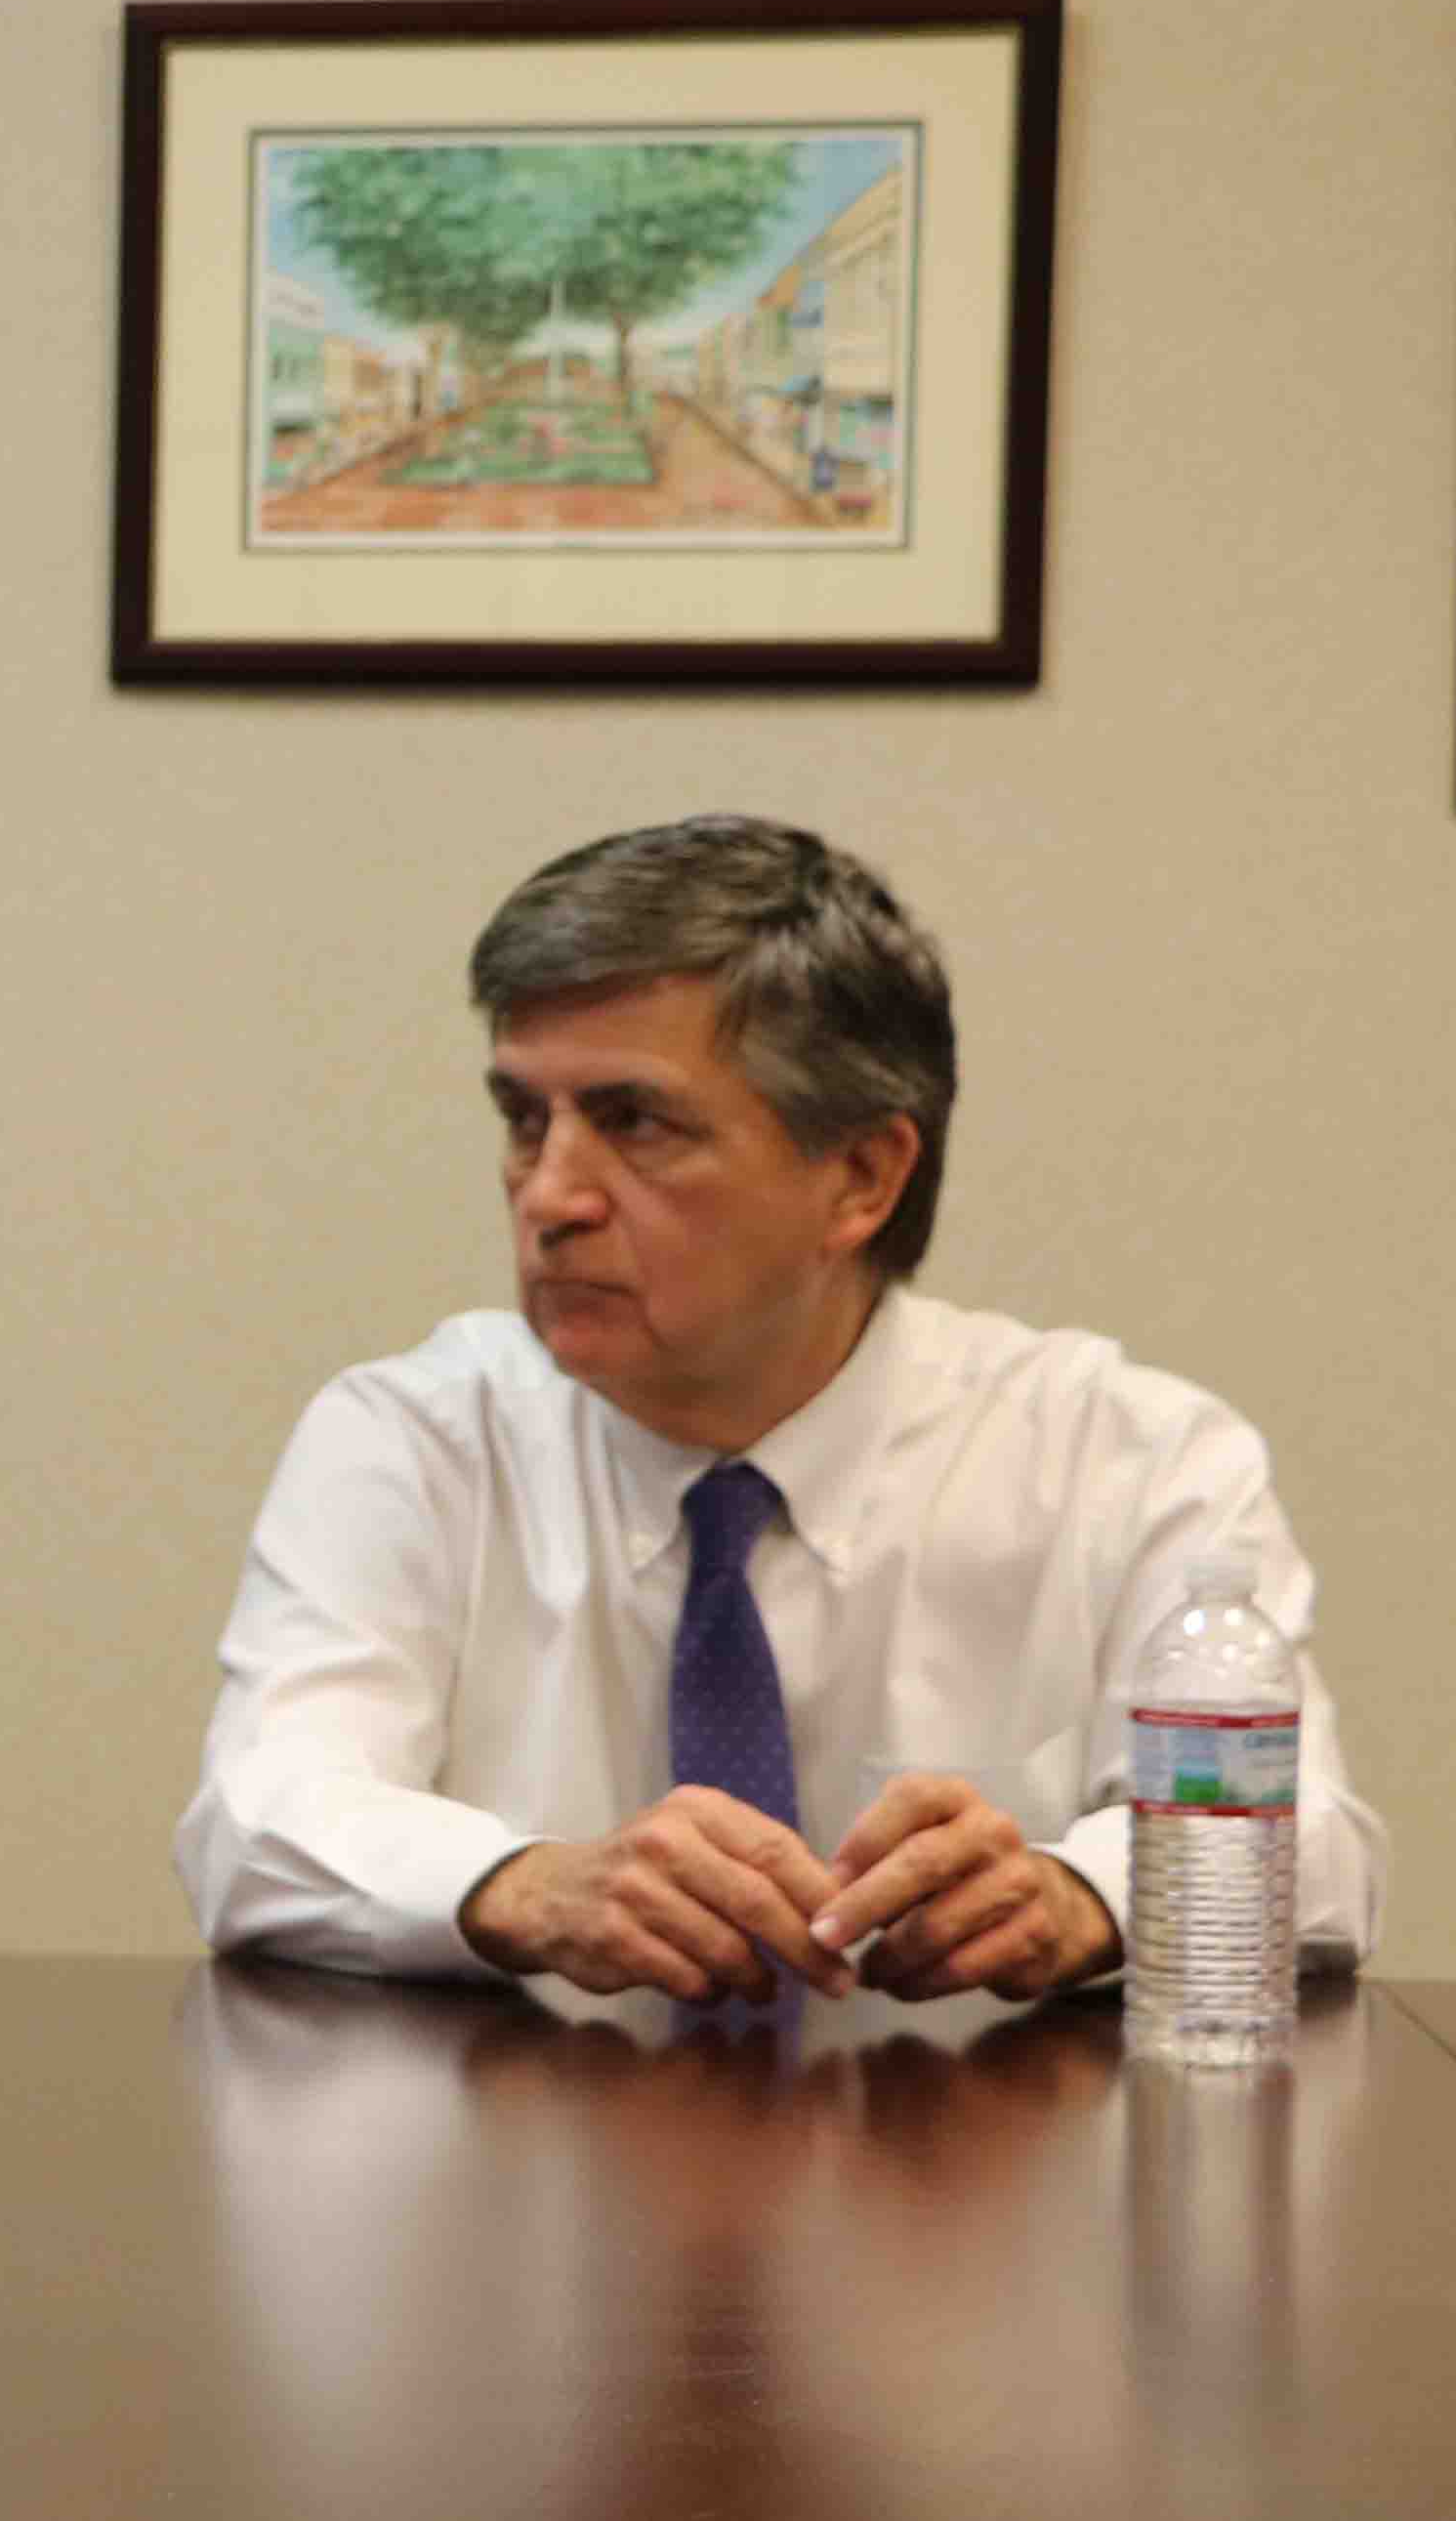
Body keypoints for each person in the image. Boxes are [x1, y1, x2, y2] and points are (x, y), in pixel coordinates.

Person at [175, 815, 1384, 2005]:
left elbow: (1312, 1846)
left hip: (971, 2178)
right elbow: (256, 1816)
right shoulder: (418, 1438)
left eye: (633, 1122)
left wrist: (1080, 1895)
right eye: (524, 1119)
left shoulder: (1130, 1458)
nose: (548, 1195)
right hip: (516, 2174)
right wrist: (526, 1886)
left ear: (859, 1176)